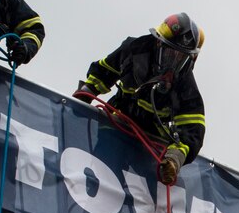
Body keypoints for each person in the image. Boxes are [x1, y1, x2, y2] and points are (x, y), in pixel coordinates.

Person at [78, 13, 207, 182]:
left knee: (143, 193)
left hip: (150, 143)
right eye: (170, 53)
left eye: (180, 58)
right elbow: (103, 72)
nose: (172, 62)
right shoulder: (135, 49)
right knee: (102, 173)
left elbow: (193, 133)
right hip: (116, 123)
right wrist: (84, 96)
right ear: (159, 42)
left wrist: (174, 159)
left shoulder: (186, 86)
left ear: (191, 59)